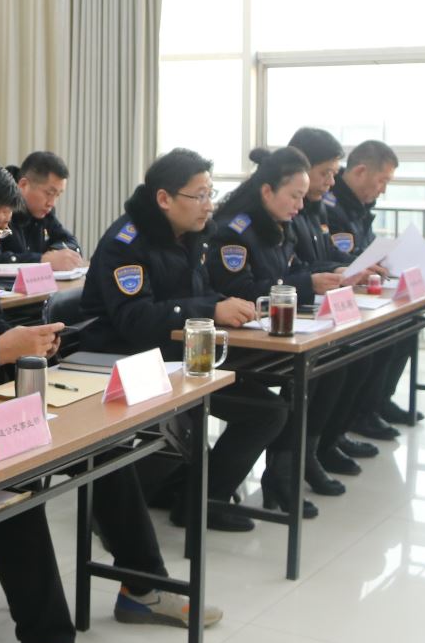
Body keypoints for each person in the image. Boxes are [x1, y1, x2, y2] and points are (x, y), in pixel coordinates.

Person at [0, 159, 217, 643]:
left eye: (2, 230)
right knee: (15, 489)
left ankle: (143, 584)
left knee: (105, 448)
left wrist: (23, 341)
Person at [76, 148, 283, 531]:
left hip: (178, 355)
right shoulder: (126, 242)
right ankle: (192, 503)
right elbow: (135, 320)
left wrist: (227, 305)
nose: (209, 205)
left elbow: (194, 294)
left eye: (210, 194)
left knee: (268, 407)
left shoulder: (190, 235)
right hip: (130, 361)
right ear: (164, 199)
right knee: (253, 412)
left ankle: (195, 496)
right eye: (199, 195)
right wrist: (211, 309)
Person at [206, 147, 349, 518]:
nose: (301, 206)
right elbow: (242, 290)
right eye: (295, 196)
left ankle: (290, 469)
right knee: (294, 389)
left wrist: (330, 274)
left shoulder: (278, 225)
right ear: (267, 191)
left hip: (271, 333)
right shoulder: (235, 231)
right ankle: (242, 486)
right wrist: (305, 284)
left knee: (332, 361)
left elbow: (293, 269)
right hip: (235, 342)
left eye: (303, 197)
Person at [281, 127, 383, 475]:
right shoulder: (285, 210)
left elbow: (322, 256)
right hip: (289, 314)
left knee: (357, 357)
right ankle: (300, 458)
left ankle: (325, 442)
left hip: (313, 309)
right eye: (325, 173)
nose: (331, 181)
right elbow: (289, 269)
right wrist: (324, 274)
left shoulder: (315, 208)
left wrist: (349, 266)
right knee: (335, 365)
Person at [324, 139, 417, 439]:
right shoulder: (331, 206)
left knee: (408, 326)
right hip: (337, 292)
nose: (383, 190)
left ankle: (378, 402)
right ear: (361, 171)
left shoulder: (359, 206)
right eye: (382, 181)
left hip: (361, 286)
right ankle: (358, 413)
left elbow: (362, 248)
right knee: (378, 337)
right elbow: (337, 256)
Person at [0, 152, 86, 271]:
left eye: (57, 195)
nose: (52, 203)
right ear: (23, 185)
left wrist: (55, 254)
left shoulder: (44, 211)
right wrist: (42, 260)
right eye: (49, 193)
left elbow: (70, 241)